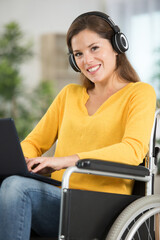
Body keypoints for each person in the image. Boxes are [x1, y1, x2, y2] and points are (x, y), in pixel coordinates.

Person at [0, 11, 156, 240]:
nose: (87, 61)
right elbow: (34, 142)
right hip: (59, 197)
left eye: (94, 48)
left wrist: (64, 160)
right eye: (79, 54)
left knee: (15, 188)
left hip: (101, 206)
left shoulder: (140, 93)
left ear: (116, 45)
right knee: (9, 181)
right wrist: (19, 161)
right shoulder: (69, 95)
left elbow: (133, 150)